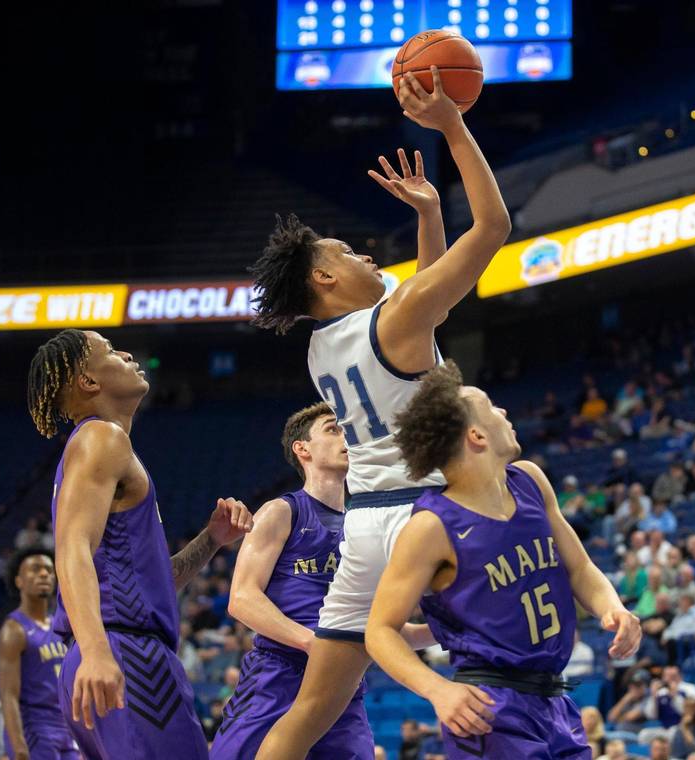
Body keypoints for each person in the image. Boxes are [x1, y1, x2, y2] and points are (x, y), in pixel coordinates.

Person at [248, 70, 511, 760]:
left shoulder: (322, 348)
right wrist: (452, 127)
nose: (365, 254)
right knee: (504, 668)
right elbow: (495, 227)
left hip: (365, 528)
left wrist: (428, 215)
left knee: (310, 711)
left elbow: (428, 309)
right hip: (430, 517)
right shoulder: (391, 320)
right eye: (347, 252)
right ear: (327, 278)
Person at [364, 363, 640, 758]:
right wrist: (438, 690)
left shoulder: (530, 480)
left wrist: (612, 608)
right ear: (476, 436)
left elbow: (579, 567)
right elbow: (379, 630)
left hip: (554, 700)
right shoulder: (430, 527)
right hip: (489, 706)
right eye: (492, 407)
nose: (504, 413)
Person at [27, 329, 253, 760]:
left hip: (114, 647)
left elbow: (152, 581)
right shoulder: (101, 438)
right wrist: (96, 651)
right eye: (110, 351)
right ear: (89, 382)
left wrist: (212, 540)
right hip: (123, 653)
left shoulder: (104, 449)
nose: (128, 353)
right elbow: (72, 551)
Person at [210, 403, 372, 759]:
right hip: (278, 673)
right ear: (303, 449)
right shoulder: (282, 511)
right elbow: (242, 598)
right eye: (333, 429)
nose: (347, 437)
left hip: (341, 680)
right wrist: (313, 643)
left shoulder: (365, 525)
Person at [0, 547, 80, 760]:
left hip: (66, 727)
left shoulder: (60, 626)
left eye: (49, 570)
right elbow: (8, 696)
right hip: (34, 729)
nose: (44, 574)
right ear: (19, 581)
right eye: (35, 569)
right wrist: (19, 748)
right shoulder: (13, 630)